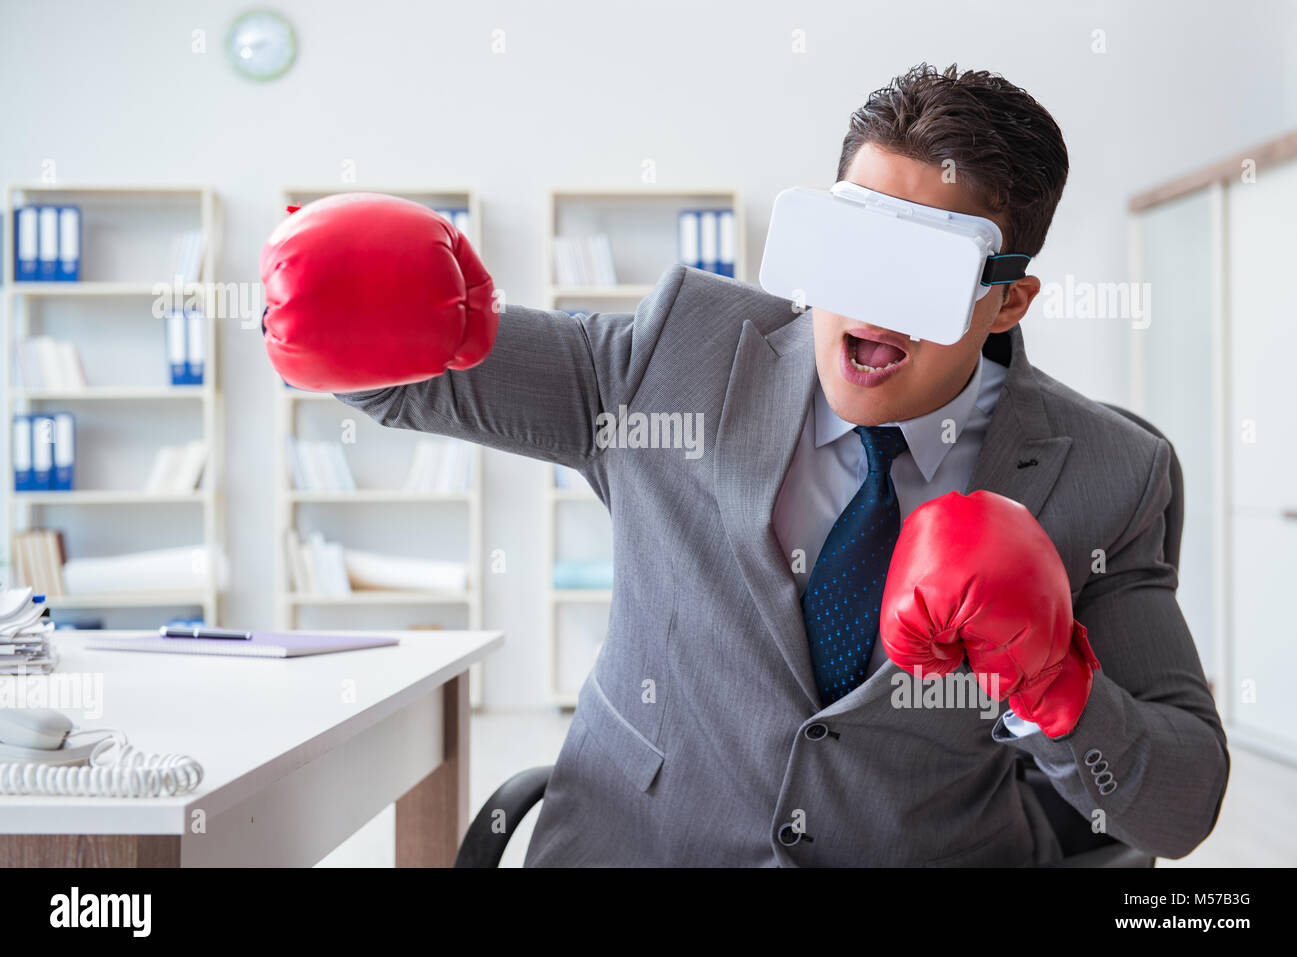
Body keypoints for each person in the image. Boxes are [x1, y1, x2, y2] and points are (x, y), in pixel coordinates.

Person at [260, 63, 1229, 866]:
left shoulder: (1108, 472)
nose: (869, 305)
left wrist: (1052, 687)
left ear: (1008, 301)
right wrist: (363, 300)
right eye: (851, 245)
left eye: (920, 271)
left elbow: (1178, 806)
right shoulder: (678, 355)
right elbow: (401, 379)